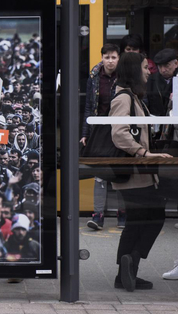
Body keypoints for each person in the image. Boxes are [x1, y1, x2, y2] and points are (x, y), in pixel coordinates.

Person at [110, 52, 171, 292]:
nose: (149, 71)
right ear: (135, 70)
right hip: (133, 172)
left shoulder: (134, 97)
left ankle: (125, 271)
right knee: (154, 216)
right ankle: (131, 262)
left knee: (138, 221)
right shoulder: (123, 98)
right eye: (146, 67)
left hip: (138, 172)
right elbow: (119, 133)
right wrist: (143, 153)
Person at [82, 44, 126, 230]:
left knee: (120, 172)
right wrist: (85, 132)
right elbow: (88, 105)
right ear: (102, 58)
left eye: (113, 57)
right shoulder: (94, 76)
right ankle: (98, 215)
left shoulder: (125, 76)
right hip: (99, 128)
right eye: (106, 57)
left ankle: (122, 214)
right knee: (100, 175)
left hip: (120, 127)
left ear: (119, 58)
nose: (110, 61)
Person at [144, 48, 177, 117]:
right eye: (160, 66)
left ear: (176, 64)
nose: (163, 70)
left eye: (166, 66)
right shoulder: (150, 80)